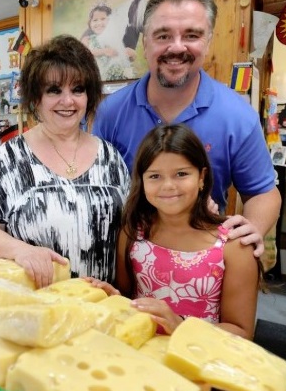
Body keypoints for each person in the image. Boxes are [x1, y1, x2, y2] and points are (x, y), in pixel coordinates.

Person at [92, 0, 281, 258]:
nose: (176, 47)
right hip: (125, 269)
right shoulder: (111, 112)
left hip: (202, 273)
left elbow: (263, 192)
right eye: (163, 35)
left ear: (208, 41)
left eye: (192, 35)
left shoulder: (237, 116)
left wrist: (251, 229)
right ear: (145, 42)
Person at [0, 34, 130, 289]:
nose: (67, 101)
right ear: (37, 98)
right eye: (54, 90)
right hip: (35, 309)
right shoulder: (10, 157)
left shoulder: (110, 157)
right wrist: (20, 250)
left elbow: (133, 228)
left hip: (101, 306)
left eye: (77, 89)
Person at [87, 123, 260, 340]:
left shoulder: (233, 245)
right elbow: (130, 298)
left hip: (200, 361)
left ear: (201, 177)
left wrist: (179, 326)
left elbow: (242, 333)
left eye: (181, 174)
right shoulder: (133, 233)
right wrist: (111, 297)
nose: (168, 185)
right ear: (141, 180)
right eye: (155, 176)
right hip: (141, 357)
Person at [81, 1, 135, 81]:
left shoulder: (116, 38)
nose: (99, 23)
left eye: (103, 19)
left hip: (119, 78)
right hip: (97, 79)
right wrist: (104, 51)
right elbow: (83, 54)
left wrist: (131, 54)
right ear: (90, 23)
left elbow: (130, 58)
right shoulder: (87, 39)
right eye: (95, 20)